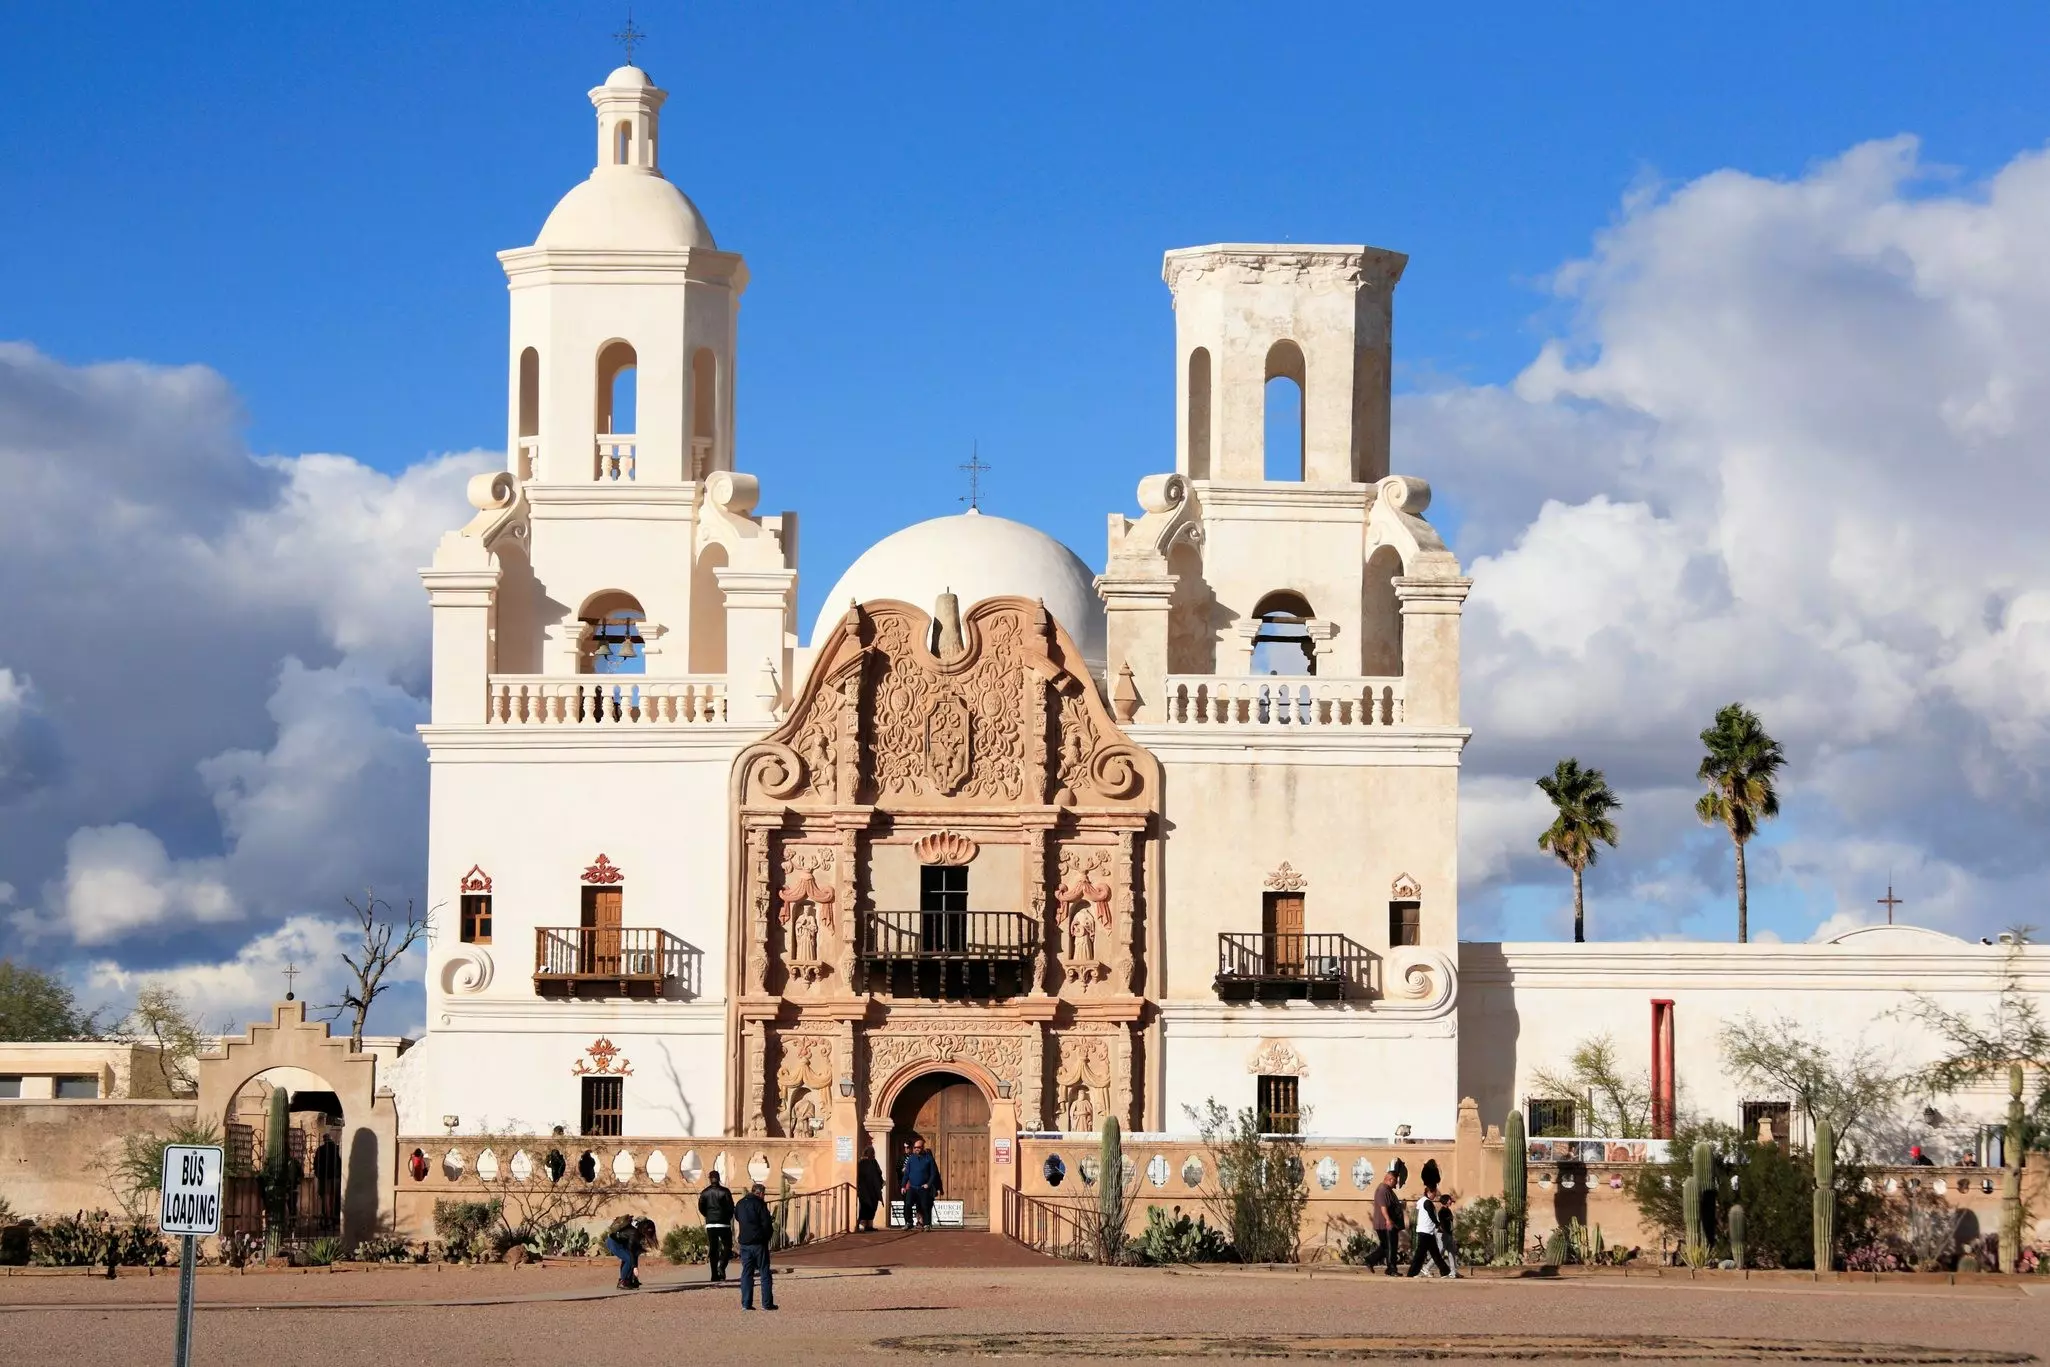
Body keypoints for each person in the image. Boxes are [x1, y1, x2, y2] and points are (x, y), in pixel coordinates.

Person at [733, 1180, 778, 1310]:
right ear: (761, 1193)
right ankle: (767, 1303)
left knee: (747, 1272)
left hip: (744, 1242)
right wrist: (766, 1237)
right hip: (758, 1243)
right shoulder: (760, 1204)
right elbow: (766, 1223)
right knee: (764, 1272)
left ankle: (746, 1304)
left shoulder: (740, 1203)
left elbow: (737, 1217)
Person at [698, 1169, 735, 1281]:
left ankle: (714, 1275)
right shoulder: (725, 1191)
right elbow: (730, 1207)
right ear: (719, 1178)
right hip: (724, 1223)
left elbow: (701, 1208)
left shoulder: (704, 1193)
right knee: (727, 1247)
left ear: (710, 1179)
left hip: (711, 1224)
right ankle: (722, 1266)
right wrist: (727, 1218)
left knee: (713, 1249)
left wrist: (708, 1216)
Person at [1407, 1184, 1450, 1278]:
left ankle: (1445, 1271)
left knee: (1435, 1253)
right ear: (1429, 1192)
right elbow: (1431, 1215)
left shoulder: (1422, 1201)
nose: (1435, 1195)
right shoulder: (1427, 1202)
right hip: (1425, 1232)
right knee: (1420, 1254)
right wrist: (1438, 1224)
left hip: (1427, 1231)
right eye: (1434, 1193)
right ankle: (1412, 1273)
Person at [900, 1136, 941, 1231]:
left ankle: (927, 1224)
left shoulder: (929, 1159)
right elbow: (906, 1173)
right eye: (914, 1147)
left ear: (922, 1148)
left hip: (923, 1187)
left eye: (918, 1147)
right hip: (912, 1187)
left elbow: (933, 1173)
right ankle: (909, 1222)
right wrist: (903, 1185)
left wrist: (928, 1184)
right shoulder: (911, 1159)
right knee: (908, 1204)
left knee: (925, 1206)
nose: (916, 1149)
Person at [604, 1213, 650, 1290]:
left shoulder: (634, 1227)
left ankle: (628, 1280)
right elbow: (632, 1248)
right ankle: (623, 1282)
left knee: (630, 1258)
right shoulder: (634, 1230)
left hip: (615, 1242)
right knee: (629, 1259)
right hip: (614, 1243)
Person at [1371, 1170, 1403, 1276]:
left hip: (1390, 1223)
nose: (1396, 1184)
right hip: (1385, 1224)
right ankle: (1391, 1269)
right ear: (1390, 1179)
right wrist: (1388, 1220)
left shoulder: (1388, 1190)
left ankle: (1370, 1260)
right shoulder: (1382, 1190)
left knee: (1387, 1246)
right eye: (1395, 1181)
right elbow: (1383, 1207)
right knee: (1390, 1247)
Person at [313, 1134, 342, 1229]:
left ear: (324, 1140)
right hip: (335, 1177)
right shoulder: (336, 1149)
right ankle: (333, 1219)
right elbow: (340, 1162)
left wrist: (319, 1175)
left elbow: (316, 1164)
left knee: (325, 1198)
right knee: (333, 1198)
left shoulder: (320, 1150)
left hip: (324, 1177)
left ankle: (327, 1219)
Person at [857, 1145, 885, 1233]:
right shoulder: (861, 1162)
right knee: (865, 1207)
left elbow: (878, 1172)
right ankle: (862, 1225)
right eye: (872, 1152)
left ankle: (869, 1225)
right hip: (865, 1189)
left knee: (873, 1206)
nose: (873, 1154)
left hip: (873, 1188)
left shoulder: (874, 1162)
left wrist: (880, 1182)